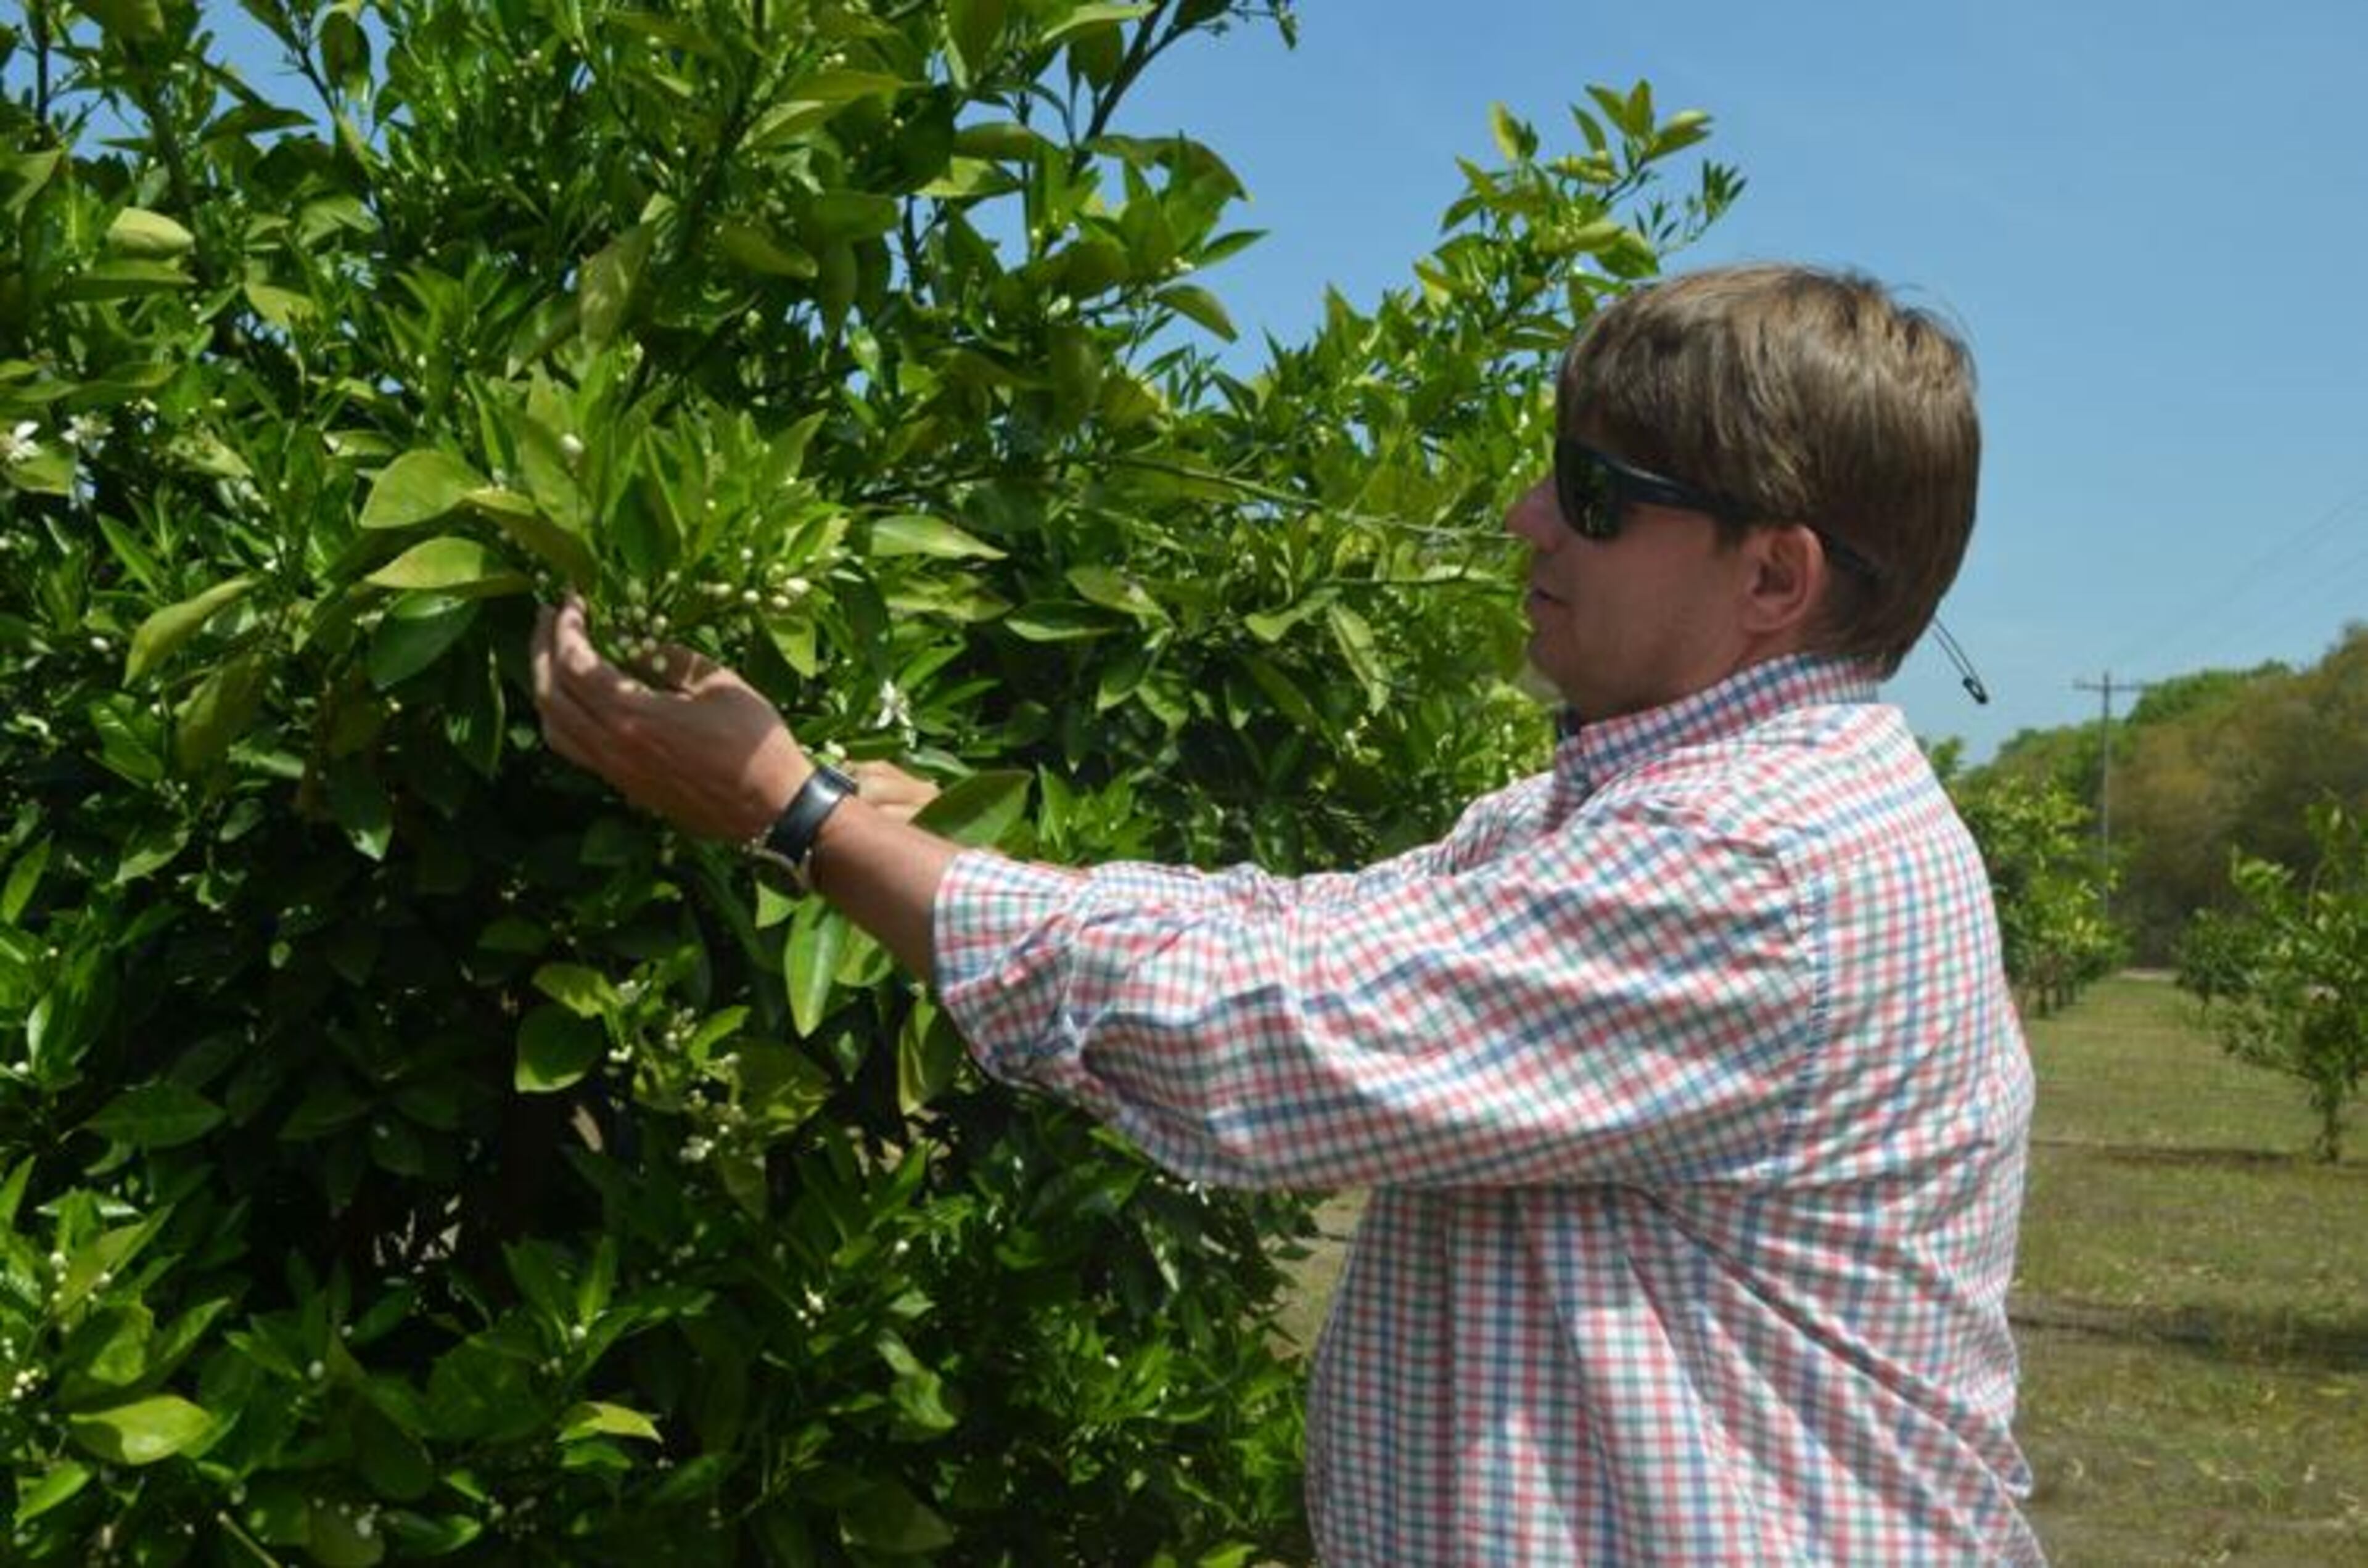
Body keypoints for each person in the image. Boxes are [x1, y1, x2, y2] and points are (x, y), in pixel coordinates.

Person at [532, 263, 2041, 1564]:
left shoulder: (1759, 858)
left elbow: (1261, 1033)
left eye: (1592, 495)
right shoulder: (1628, 812)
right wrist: (897, 833)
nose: (1527, 517)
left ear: (1775, 573)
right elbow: (1302, 931)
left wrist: (799, 824)